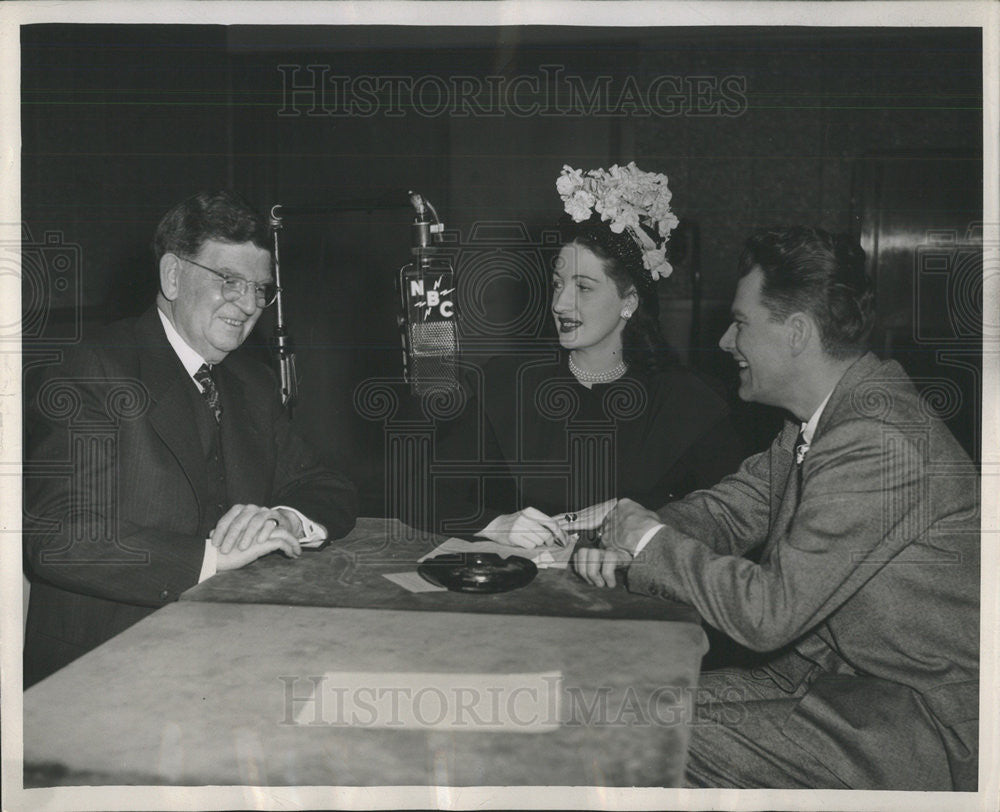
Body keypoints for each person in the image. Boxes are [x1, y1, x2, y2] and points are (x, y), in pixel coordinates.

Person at [571, 227, 979, 790]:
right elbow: (729, 510)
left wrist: (646, 545)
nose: (723, 343)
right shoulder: (821, 422)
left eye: (740, 323)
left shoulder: (879, 441)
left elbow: (769, 613)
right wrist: (634, 529)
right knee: (598, 701)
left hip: (919, 724)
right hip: (837, 689)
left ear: (796, 333)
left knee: (614, 727)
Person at [23, 190, 358, 687]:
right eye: (230, 281)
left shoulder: (252, 383)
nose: (248, 305)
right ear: (173, 276)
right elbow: (57, 537)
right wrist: (212, 559)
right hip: (102, 670)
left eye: (261, 289)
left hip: (227, 657)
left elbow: (328, 487)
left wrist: (282, 519)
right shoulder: (92, 370)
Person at [433, 162, 744, 548]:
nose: (561, 303)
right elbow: (424, 491)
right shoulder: (509, 382)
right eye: (558, 284)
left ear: (629, 301)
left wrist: (641, 511)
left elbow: (734, 515)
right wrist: (495, 524)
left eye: (584, 288)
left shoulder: (688, 401)